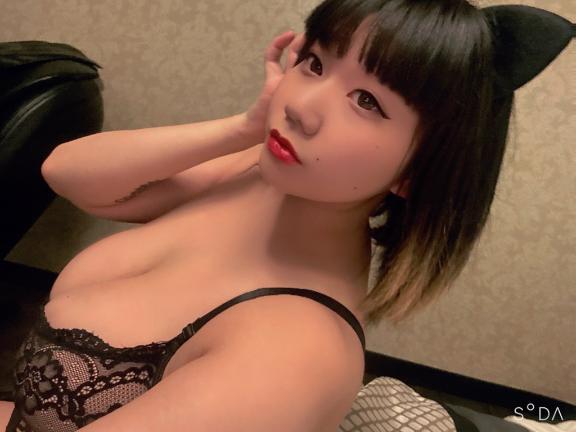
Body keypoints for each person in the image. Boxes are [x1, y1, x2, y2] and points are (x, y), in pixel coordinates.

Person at [2, 0, 572, 431]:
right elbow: (67, 172)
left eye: (368, 102)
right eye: (316, 62)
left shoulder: (293, 353)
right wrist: (243, 127)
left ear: (418, 172)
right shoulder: (259, 177)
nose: (300, 105)